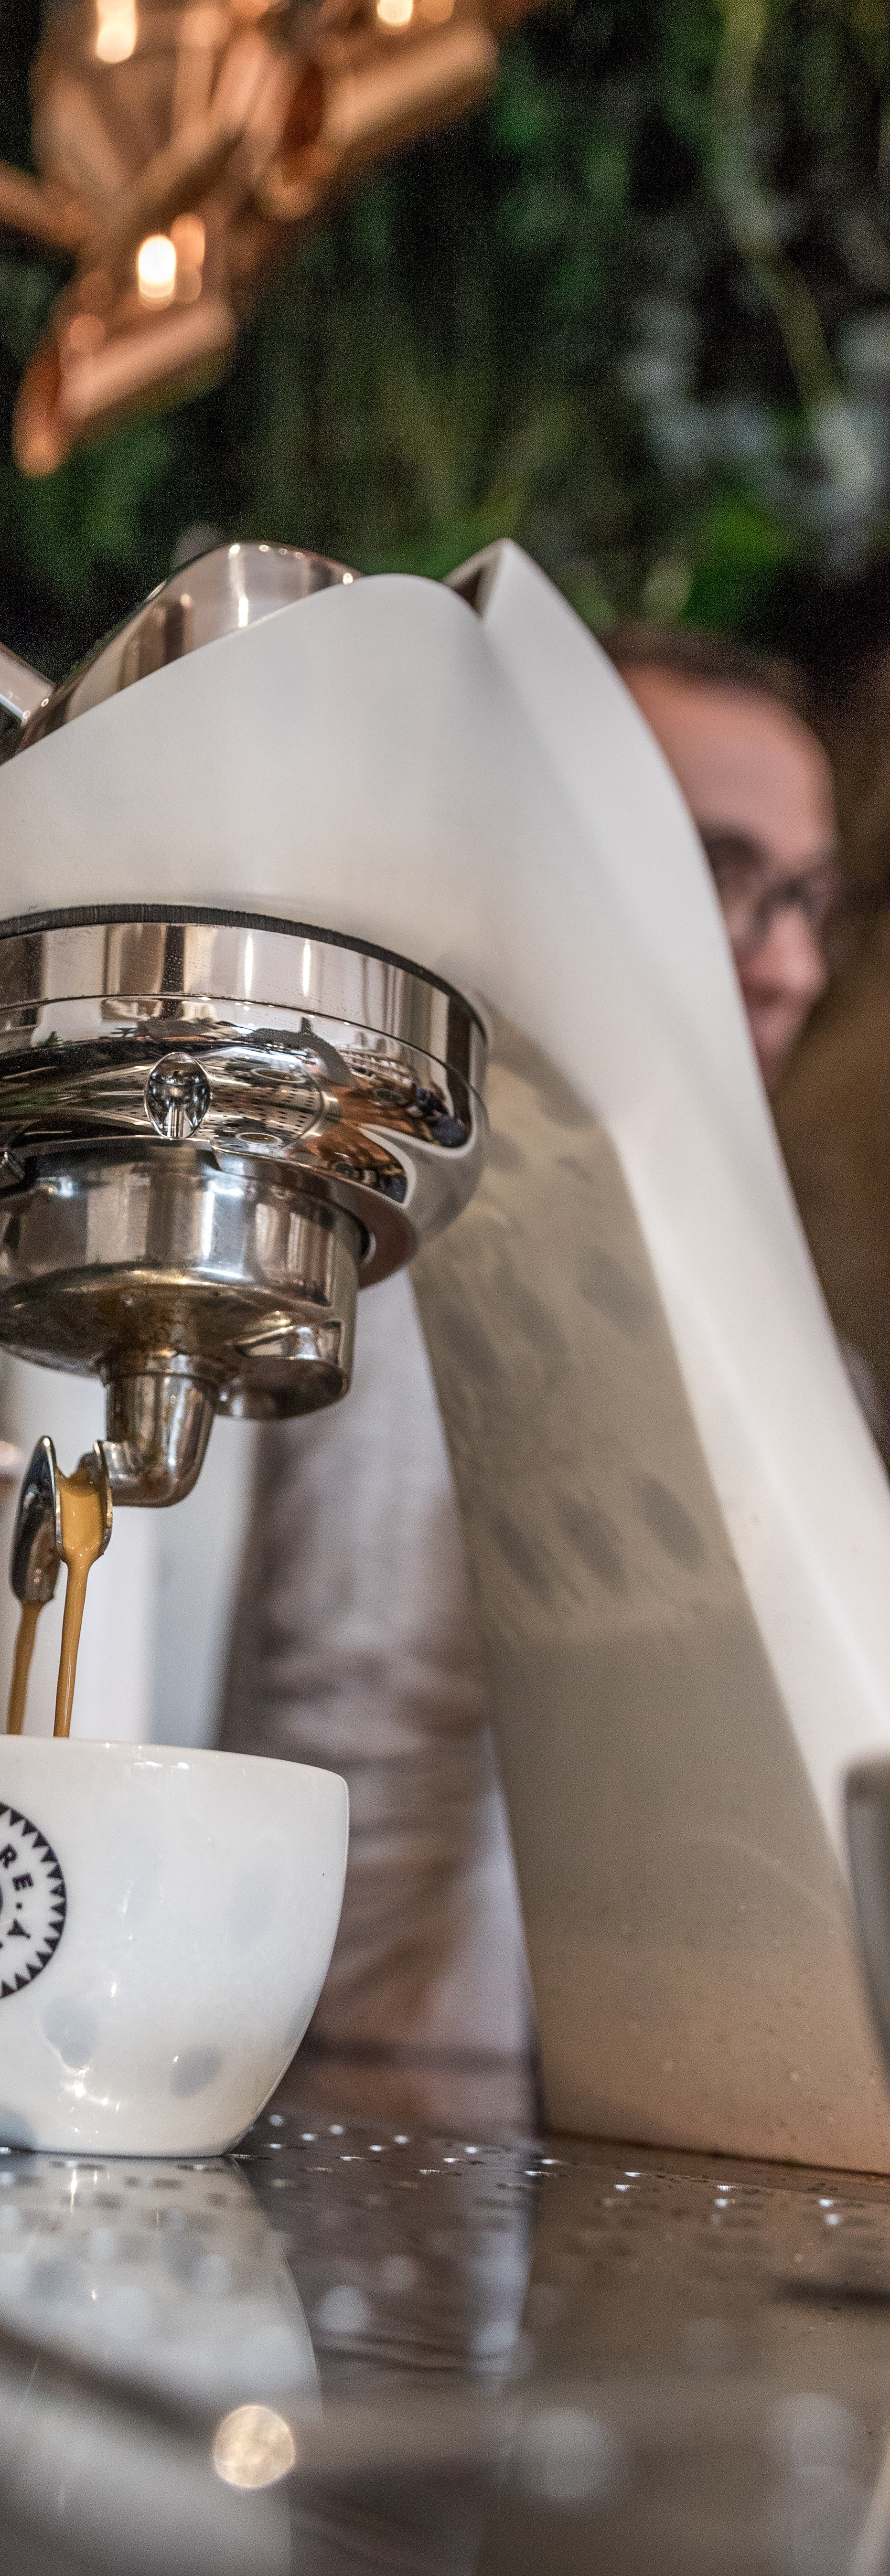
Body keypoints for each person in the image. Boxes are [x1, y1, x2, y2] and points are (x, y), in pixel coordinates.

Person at [219, 626, 843, 2060]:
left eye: (809, 898)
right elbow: (350, 1795)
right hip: (333, 2142)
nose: (792, 966)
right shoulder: (363, 1262)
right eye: (720, 878)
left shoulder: (769, 1325)